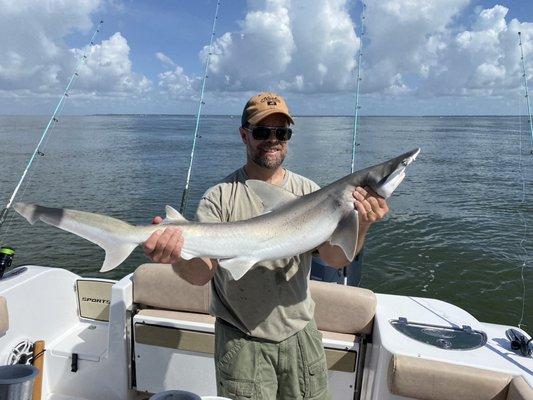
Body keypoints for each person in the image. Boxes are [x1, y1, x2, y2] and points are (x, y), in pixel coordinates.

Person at [143, 92, 389, 399]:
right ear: (244, 135)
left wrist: (361, 223)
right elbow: (200, 274)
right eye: (262, 131)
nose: (273, 139)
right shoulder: (219, 197)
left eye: (282, 132)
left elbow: (334, 259)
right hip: (243, 342)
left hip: (301, 337)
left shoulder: (308, 192)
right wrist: (176, 257)